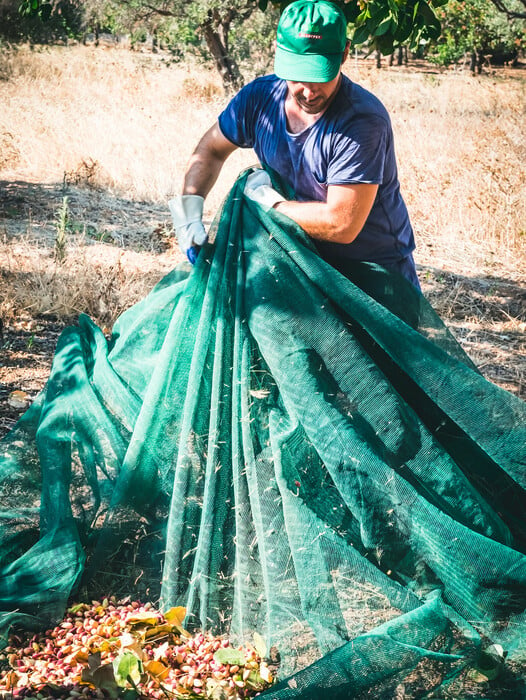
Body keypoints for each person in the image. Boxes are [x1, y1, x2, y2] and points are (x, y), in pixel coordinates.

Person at [169, 0, 421, 289]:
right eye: (300, 75)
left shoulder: (361, 121)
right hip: (300, 261)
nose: (310, 91)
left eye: (321, 74)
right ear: (280, 53)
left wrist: (271, 205)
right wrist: (188, 215)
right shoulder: (260, 100)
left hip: (371, 273)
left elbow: (341, 224)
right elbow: (210, 150)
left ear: (345, 53)